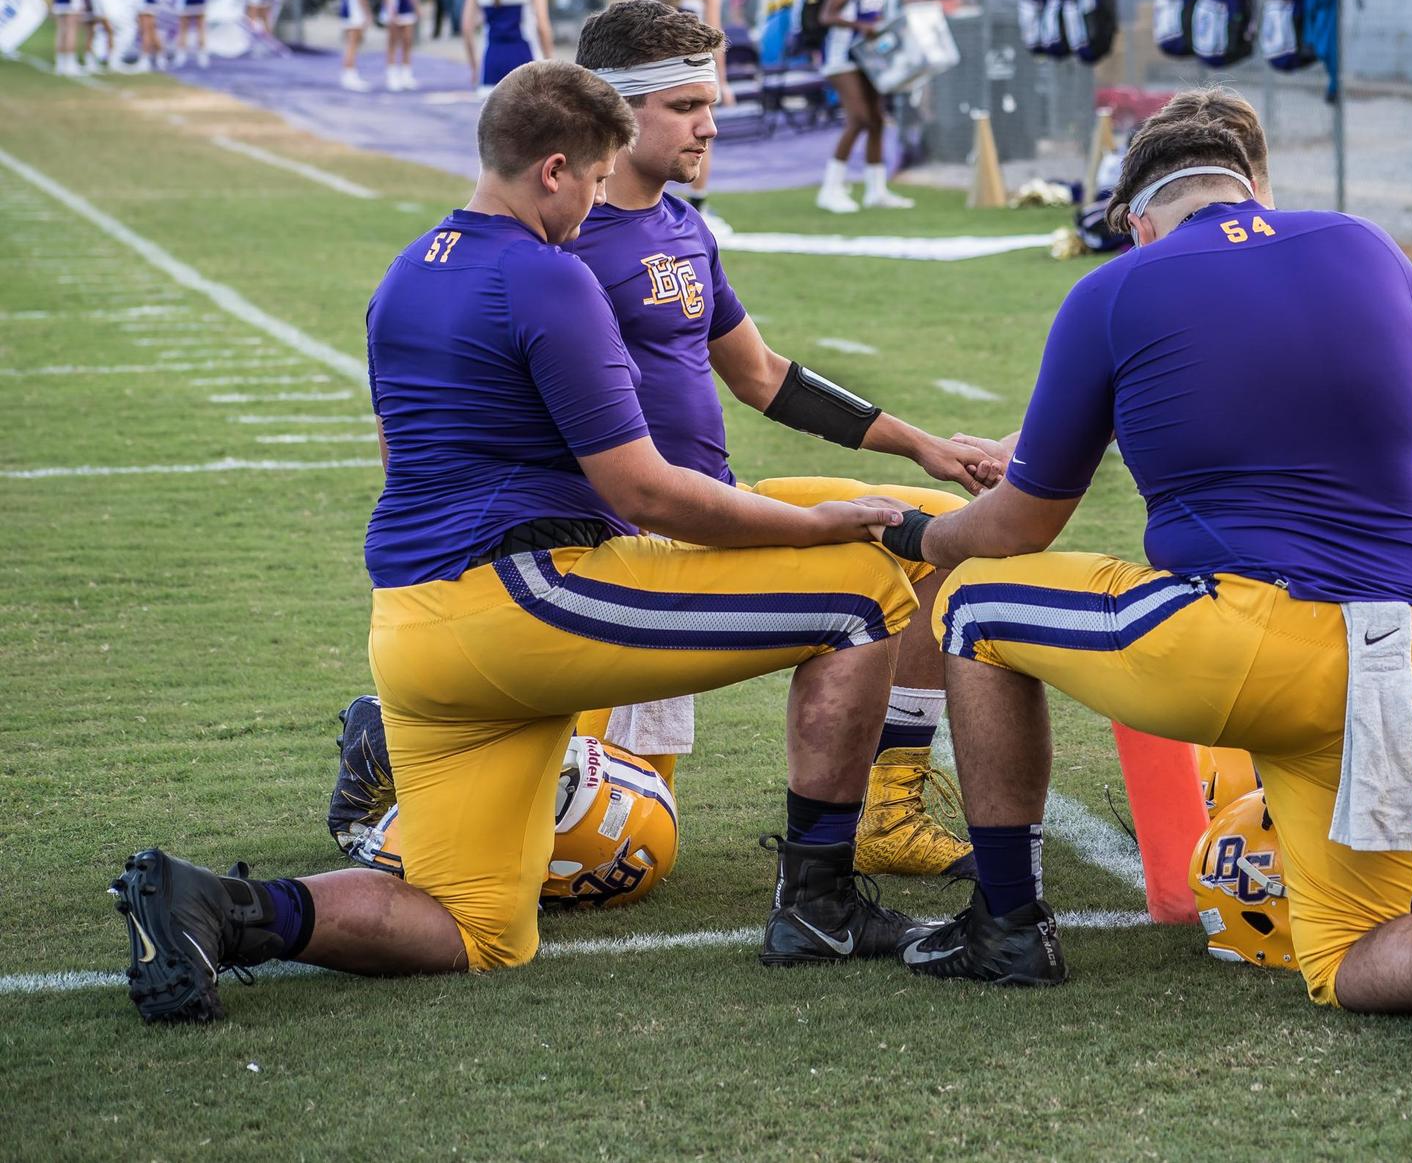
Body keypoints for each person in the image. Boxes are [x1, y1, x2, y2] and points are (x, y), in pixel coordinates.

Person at [107, 60, 935, 1025]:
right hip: (524, 599)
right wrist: (810, 524)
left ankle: (227, 907)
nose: (593, 202)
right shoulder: (549, 275)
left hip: (414, 629)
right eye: (591, 178)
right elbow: (647, 493)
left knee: (478, 928)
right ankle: (821, 905)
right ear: (552, 168)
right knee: (862, 595)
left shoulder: (404, 272)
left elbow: (398, 455)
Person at [887, 88, 1412, 1079]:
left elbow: (1025, 522)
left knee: (975, 603)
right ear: (1249, 184)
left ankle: (1007, 922)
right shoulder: (1364, 245)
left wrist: (919, 531)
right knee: (1346, 955)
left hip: (1248, 638)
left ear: (1136, 220)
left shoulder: (1116, 288)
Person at [325, 0, 996, 882]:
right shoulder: (552, 245)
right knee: (620, 848)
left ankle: (889, 809)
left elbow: (761, 375)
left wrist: (919, 445)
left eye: (710, 102)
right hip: (618, 544)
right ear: (613, 112)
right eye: (685, 105)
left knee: (934, 531)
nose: (709, 125)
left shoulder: (681, 224)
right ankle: (396, 754)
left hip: (714, 505)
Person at [815, 0, 913, 214]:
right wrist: (860, 26)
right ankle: (830, 189)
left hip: (869, 58)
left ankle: (876, 189)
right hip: (842, 57)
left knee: (877, 120)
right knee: (857, 119)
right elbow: (827, 15)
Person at [641, 0, 726, 210]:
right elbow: (716, 40)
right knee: (702, 133)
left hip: (656, 75)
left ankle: (648, 197)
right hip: (694, 72)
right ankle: (698, 202)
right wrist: (722, 82)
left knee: (651, 132)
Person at [336, 0, 371, 93]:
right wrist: (365, 9)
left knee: (352, 42)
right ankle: (349, 74)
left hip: (349, 6)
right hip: (353, 6)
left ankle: (350, 73)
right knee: (352, 42)